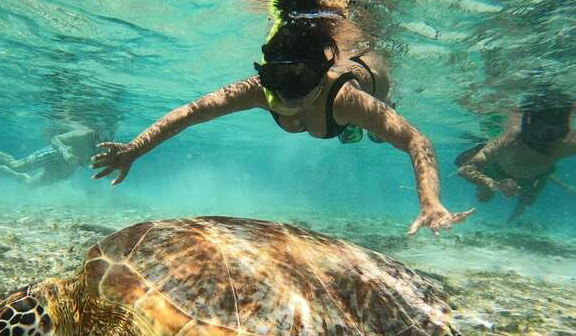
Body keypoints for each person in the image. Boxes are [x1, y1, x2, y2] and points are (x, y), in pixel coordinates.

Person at [91, 14, 474, 235]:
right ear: (266, 75)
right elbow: (192, 112)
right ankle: (355, 131)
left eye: (301, 86)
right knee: (352, 132)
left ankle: (370, 122)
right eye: (279, 84)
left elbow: (417, 140)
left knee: (377, 133)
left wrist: (430, 201)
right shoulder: (258, 90)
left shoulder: (345, 98)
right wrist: (134, 149)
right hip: (336, 116)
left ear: (321, 76)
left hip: (371, 84)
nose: (289, 99)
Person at [456, 87, 576, 221]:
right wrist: (493, 184)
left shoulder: (573, 141)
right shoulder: (511, 137)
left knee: (527, 200)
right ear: (527, 123)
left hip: (535, 176)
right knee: (483, 197)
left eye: (554, 131)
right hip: (499, 170)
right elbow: (466, 168)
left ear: (565, 126)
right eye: (540, 129)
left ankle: (516, 211)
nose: (545, 138)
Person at [0, 124, 99, 187]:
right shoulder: (86, 134)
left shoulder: (107, 151)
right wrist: (66, 153)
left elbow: (92, 165)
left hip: (67, 168)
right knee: (19, 166)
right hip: (56, 155)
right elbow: (55, 139)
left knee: (30, 184)